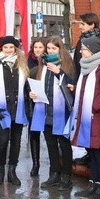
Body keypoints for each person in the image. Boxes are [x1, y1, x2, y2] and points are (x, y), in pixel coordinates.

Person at [71, 36, 100, 199]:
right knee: (91, 151)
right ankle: (93, 185)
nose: (81, 51)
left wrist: (93, 107)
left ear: (93, 51)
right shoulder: (87, 69)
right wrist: (75, 89)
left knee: (98, 153)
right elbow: (88, 91)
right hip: (87, 118)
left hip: (96, 117)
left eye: (84, 49)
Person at [29, 36, 76, 190]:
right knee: (50, 144)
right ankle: (54, 173)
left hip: (61, 110)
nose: (50, 51)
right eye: (48, 48)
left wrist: (59, 72)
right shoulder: (43, 65)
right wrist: (34, 94)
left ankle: (66, 176)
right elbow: (40, 83)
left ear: (59, 50)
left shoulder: (67, 64)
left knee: (63, 143)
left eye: (53, 49)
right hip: (45, 109)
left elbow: (72, 84)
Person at [0, 35, 30, 186]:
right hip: (2, 108)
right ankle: (1, 170)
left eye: (11, 47)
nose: (9, 50)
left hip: (18, 108)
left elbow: (27, 87)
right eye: (6, 47)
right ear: (1, 49)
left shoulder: (21, 64)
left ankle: (12, 171)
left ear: (15, 48)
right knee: (3, 141)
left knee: (16, 141)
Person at [26, 37, 46, 176]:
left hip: (47, 103)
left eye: (40, 47)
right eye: (35, 47)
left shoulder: (49, 63)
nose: (38, 50)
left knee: (51, 135)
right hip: (33, 103)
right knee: (34, 134)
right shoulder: (27, 62)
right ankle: (36, 164)